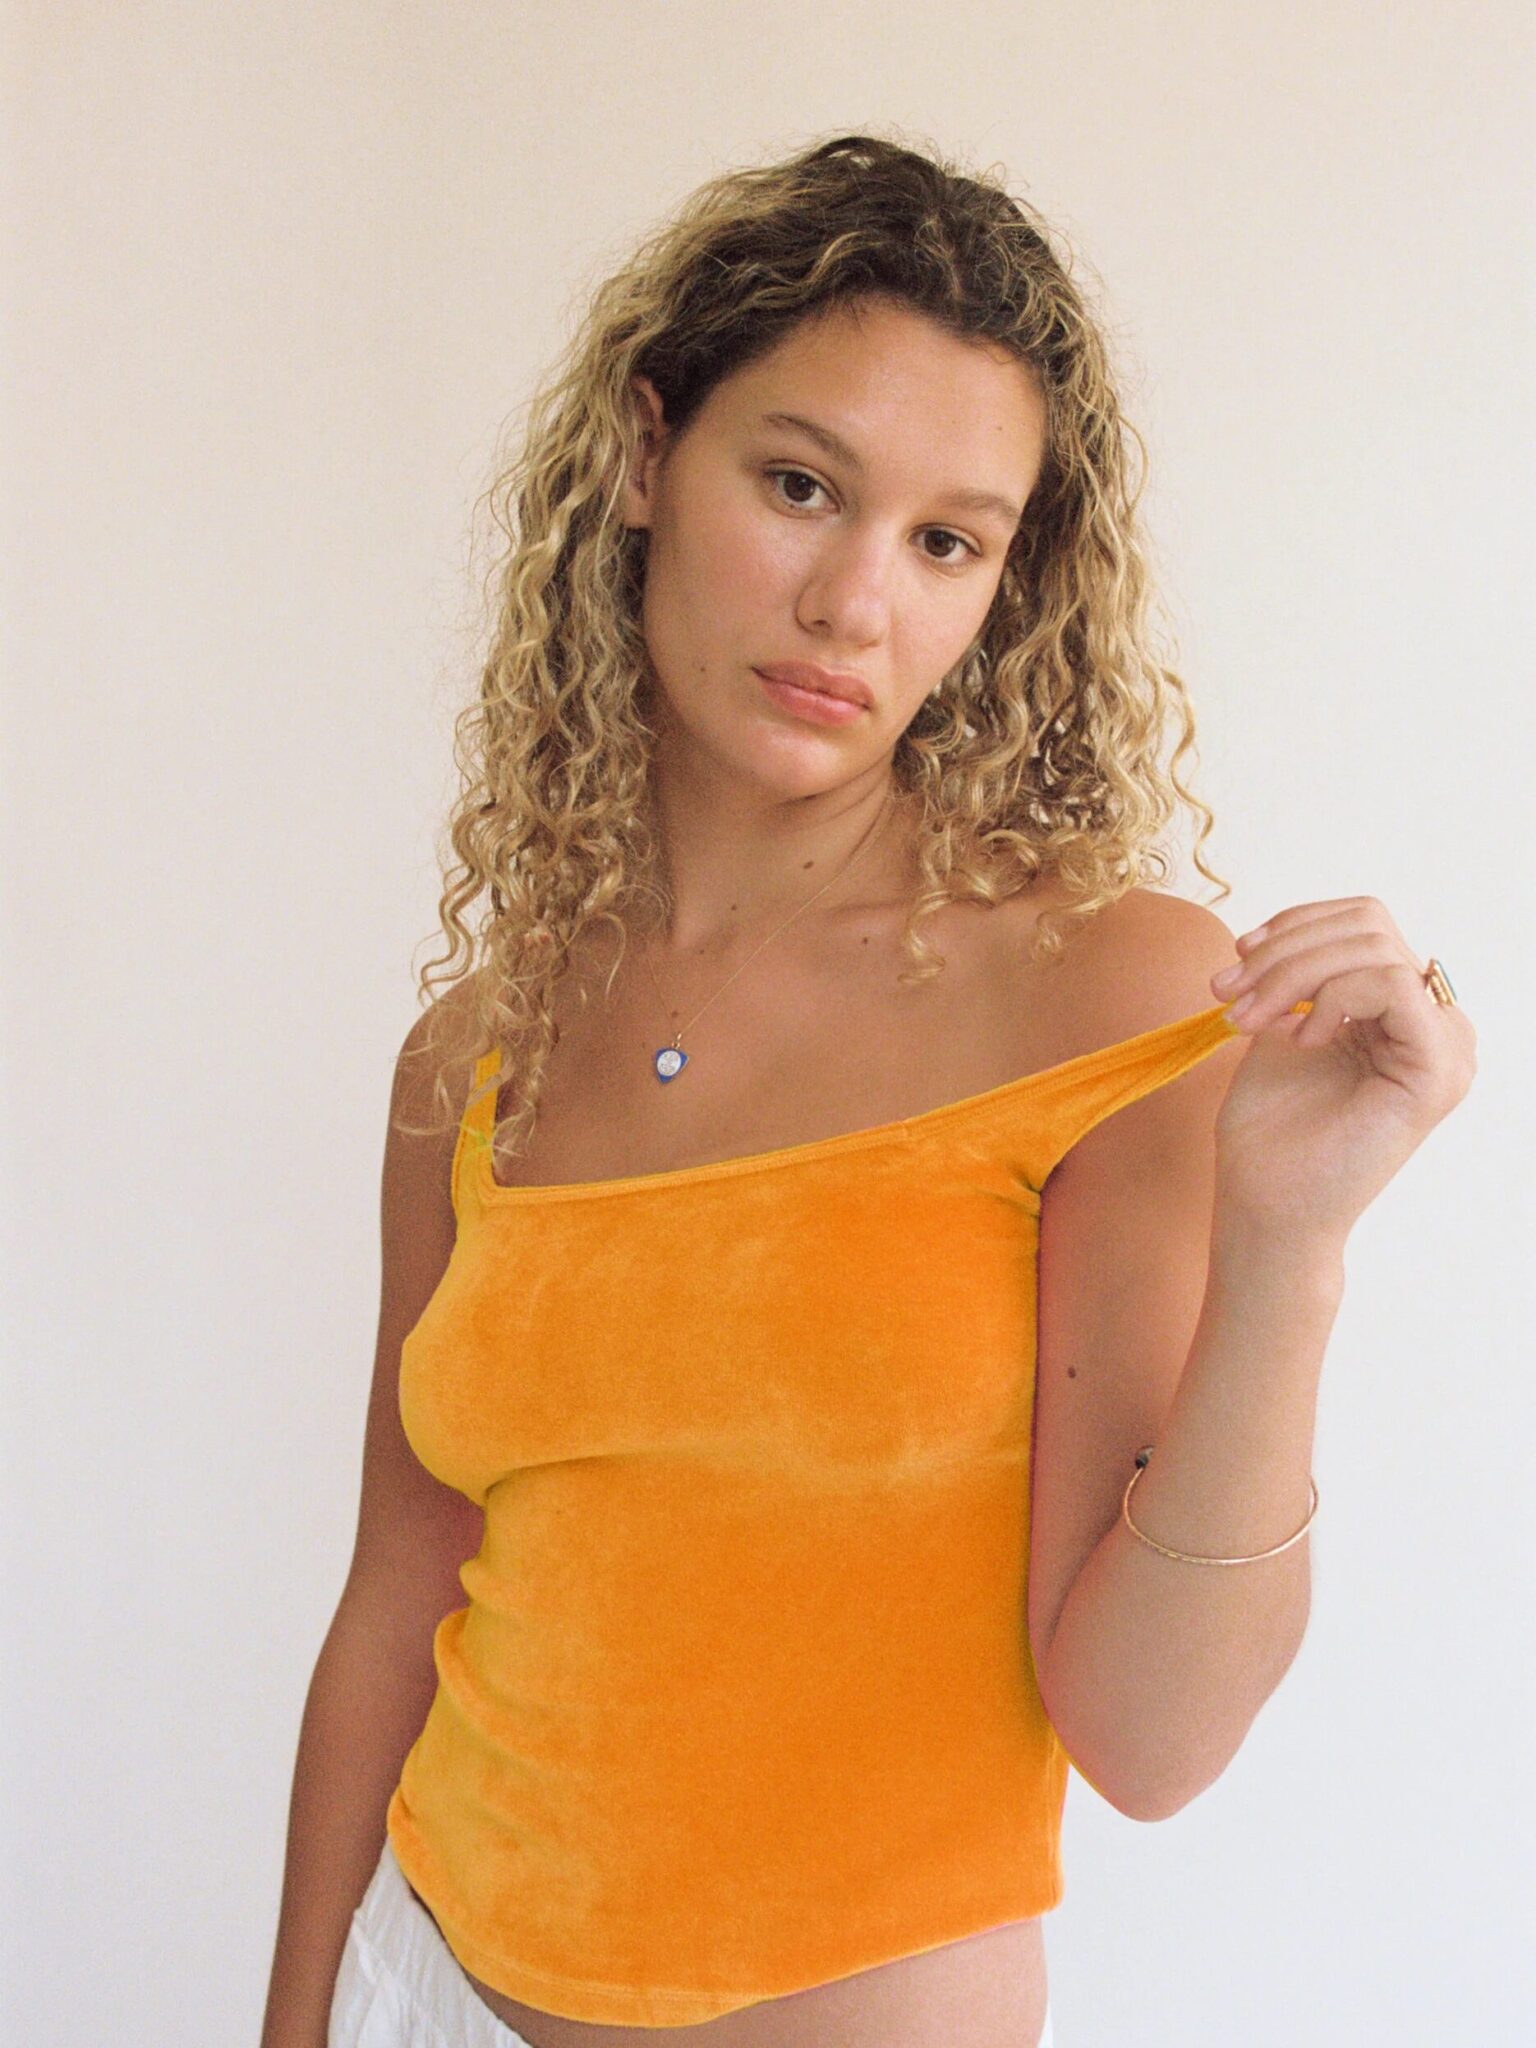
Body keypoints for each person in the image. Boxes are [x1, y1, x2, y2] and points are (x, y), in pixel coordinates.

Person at [260, 132, 1475, 2048]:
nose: (852, 602)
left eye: (946, 540)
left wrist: (1292, 1250)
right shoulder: (473, 1052)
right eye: (802, 483)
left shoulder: (1112, 992)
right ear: (646, 456)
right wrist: (301, 2015)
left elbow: (1150, 1745)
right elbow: (397, 1588)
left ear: (1005, 586)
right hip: (429, 1981)